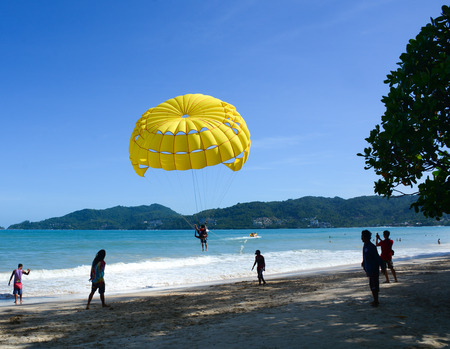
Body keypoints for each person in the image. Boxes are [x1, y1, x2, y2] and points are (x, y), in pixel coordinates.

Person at [361, 230, 385, 307]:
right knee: (371, 285)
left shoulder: (371, 246)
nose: (361, 238)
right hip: (369, 269)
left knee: (374, 285)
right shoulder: (365, 246)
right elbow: (365, 256)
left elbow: (378, 258)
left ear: (366, 237)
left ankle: (376, 301)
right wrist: (363, 263)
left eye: (362, 236)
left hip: (373, 269)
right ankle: (375, 300)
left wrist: (383, 267)